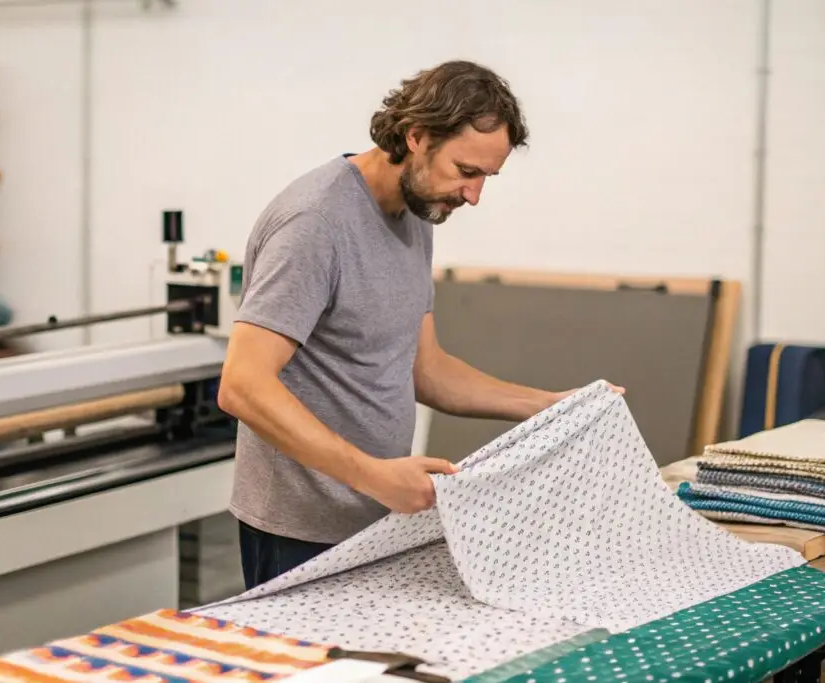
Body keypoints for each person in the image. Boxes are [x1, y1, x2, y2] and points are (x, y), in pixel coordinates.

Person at [217, 60, 622, 590]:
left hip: (374, 517)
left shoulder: (417, 212)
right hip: (300, 530)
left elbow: (426, 370)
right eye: (466, 171)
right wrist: (374, 475)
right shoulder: (315, 222)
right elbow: (243, 386)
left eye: (486, 177)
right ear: (416, 137)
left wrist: (549, 406)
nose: (473, 195)